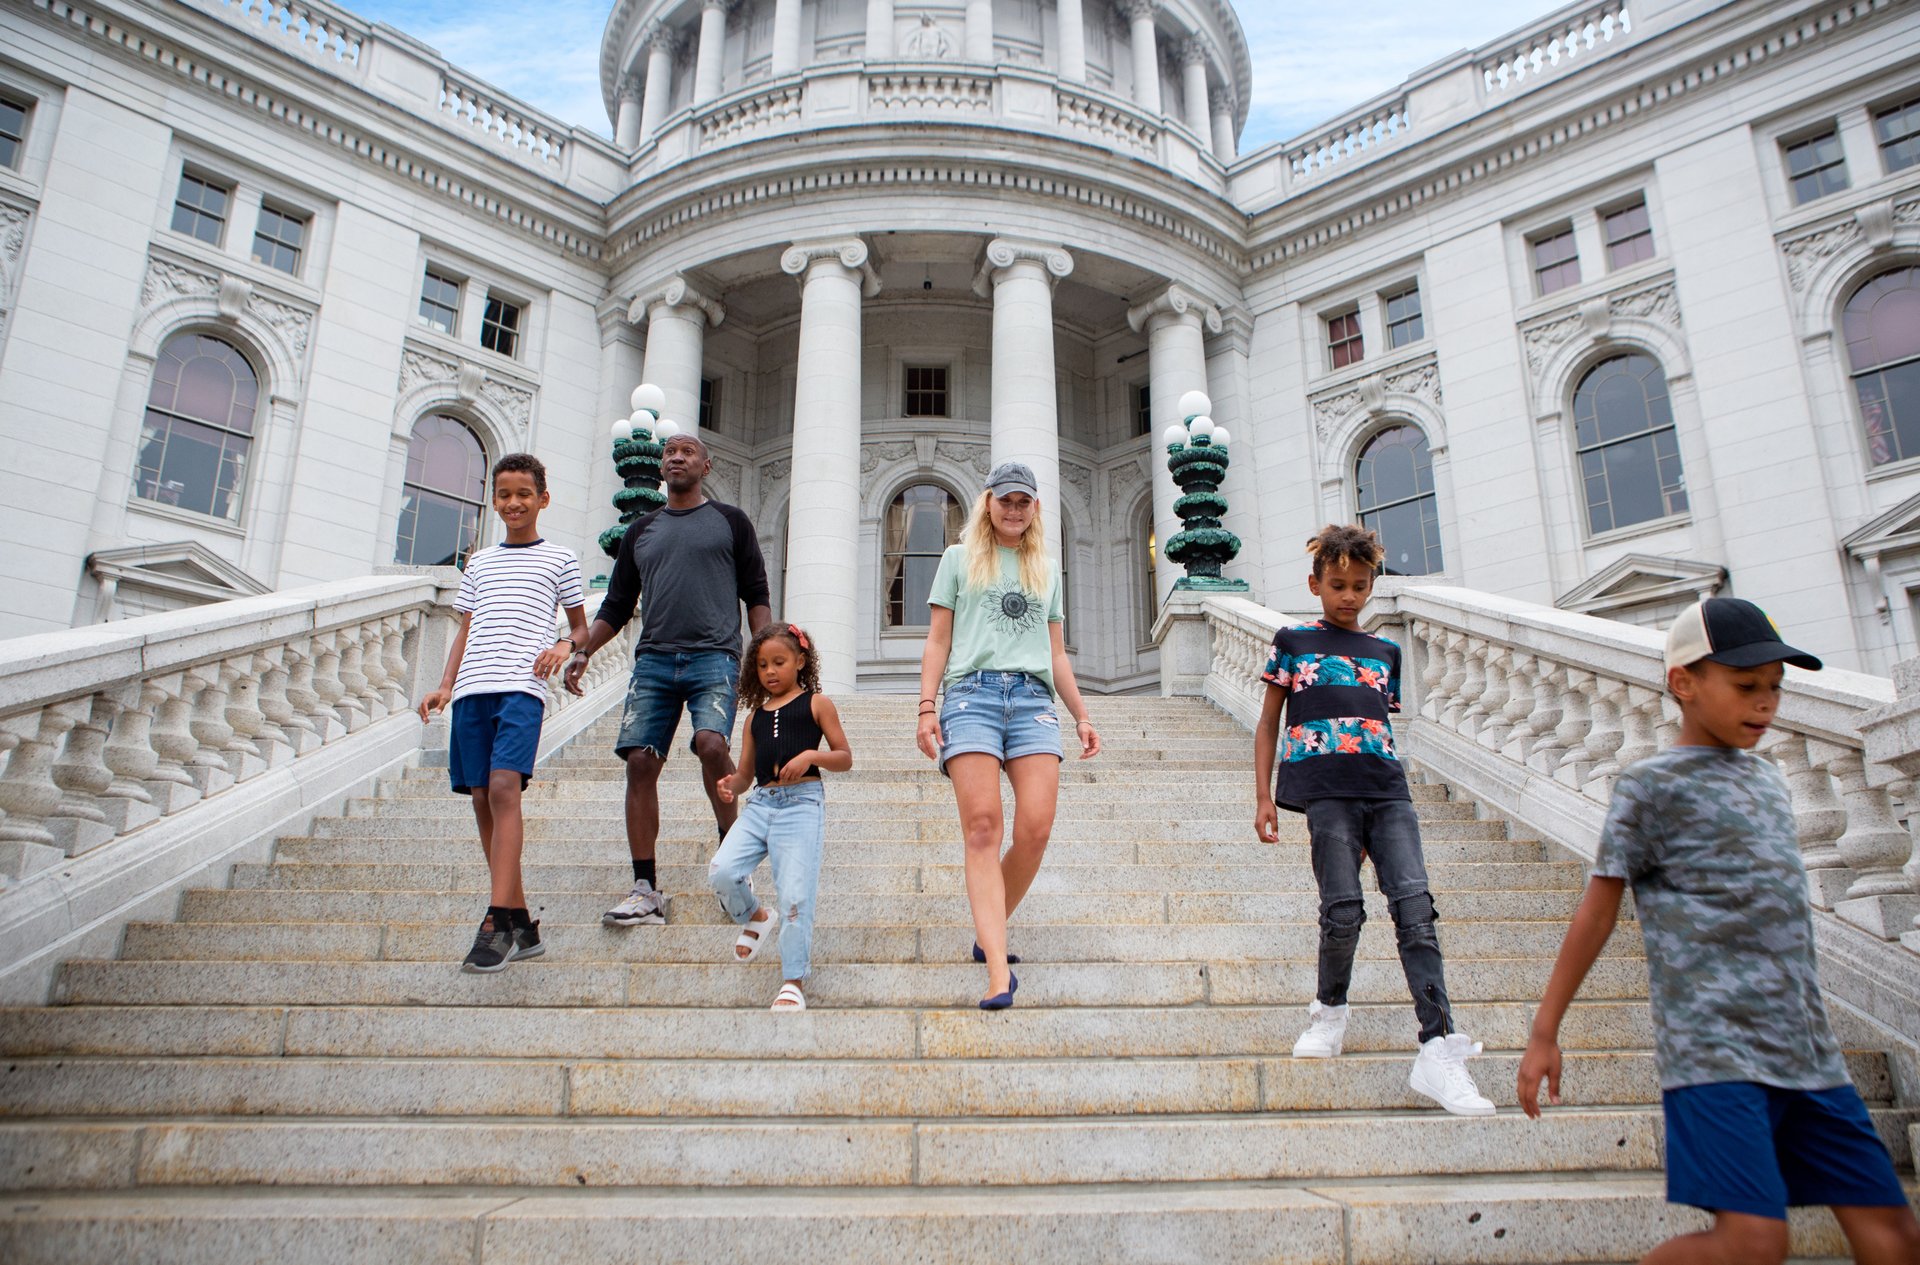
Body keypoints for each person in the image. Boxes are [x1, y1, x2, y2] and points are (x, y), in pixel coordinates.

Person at [1520, 598, 1920, 1264]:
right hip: (1714, 1056)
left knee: (1896, 1236)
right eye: (1745, 686)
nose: (1765, 703)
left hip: (1810, 1055)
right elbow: (1598, 908)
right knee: (1753, 1242)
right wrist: (1544, 1031)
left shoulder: (1769, 779)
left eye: (1773, 687)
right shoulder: (1649, 786)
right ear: (1684, 683)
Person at [1252, 523, 1493, 1115]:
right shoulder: (1293, 642)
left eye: (1360, 586)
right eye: (1338, 585)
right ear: (1315, 584)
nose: (1349, 596)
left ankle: (1439, 1047)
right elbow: (1268, 723)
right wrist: (1263, 797)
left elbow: (1377, 724)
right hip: (1327, 793)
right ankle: (1328, 1014)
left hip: (1387, 792)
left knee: (1416, 910)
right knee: (1342, 911)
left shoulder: (1385, 653)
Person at [565, 431, 772, 928]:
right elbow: (616, 605)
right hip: (655, 659)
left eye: (687, 452)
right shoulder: (642, 531)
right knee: (639, 760)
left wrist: (766, 655)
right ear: (662, 466)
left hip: (715, 657)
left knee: (710, 744)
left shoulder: (730, 522)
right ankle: (644, 888)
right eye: (669, 452)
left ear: (706, 465)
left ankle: (733, 865)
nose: (676, 457)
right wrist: (582, 649)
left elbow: (757, 593)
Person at [916, 462, 1101, 1010]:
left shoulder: (1044, 568)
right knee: (982, 827)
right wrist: (928, 707)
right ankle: (998, 970)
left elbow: (1056, 652)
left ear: (1035, 508)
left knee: (1036, 829)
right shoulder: (957, 559)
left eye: (1025, 501)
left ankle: (986, 926)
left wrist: (1082, 715)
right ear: (988, 502)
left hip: (1032, 701)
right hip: (971, 696)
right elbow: (937, 640)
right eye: (1006, 500)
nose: (1014, 510)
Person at [417, 453, 586, 973]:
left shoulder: (561, 559)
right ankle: (520, 919)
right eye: (505, 494)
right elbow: (466, 630)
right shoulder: (481, 563)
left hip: (521, 688)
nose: (514, 503)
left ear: (543, 499)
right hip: (472, 690)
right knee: (481, 799)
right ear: (494, 500)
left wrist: (564, 645)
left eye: (524, 494)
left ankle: (494, 920)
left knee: (504, 787)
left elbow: (581, 629)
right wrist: (444, 685)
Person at [710, 622, 852, 1011]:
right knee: (722, 870)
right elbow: (744, 774)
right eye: (761, 665)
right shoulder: (753, 716)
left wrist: (810, 756)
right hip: (760, 805)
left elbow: (844, 757)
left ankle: (793, 981)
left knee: (794, 895)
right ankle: (754, 913)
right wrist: (731, 786)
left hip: (802, 805)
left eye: (779, 662)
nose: (770, 671)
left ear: (800, 661)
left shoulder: (817, 704)